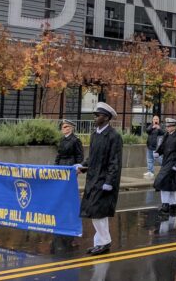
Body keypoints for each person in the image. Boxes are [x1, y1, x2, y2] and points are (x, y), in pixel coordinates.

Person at [75, 102, 123, 256]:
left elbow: (115, 161)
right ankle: (100, 242)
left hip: (104, 181)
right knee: (95, 212)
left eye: (98, 115)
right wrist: (82, 165)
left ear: (107, 118)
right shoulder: (95, 134)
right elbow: (92, 157)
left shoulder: (114, 136)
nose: (95, 117)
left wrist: (109, 182)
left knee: (97, 213)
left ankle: (104, 242)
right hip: (93, 179)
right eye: (95, 115)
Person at [154, 118, 176, 216]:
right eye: (167, 126)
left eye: (169, 126)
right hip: (166, 161)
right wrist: (158, 152)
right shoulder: (166, 135)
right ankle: (173, 205)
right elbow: (162, 146)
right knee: (171, 184)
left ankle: (165, 205)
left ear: (174, 126)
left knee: (163, 182)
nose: (167, 128)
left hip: (172, 162)